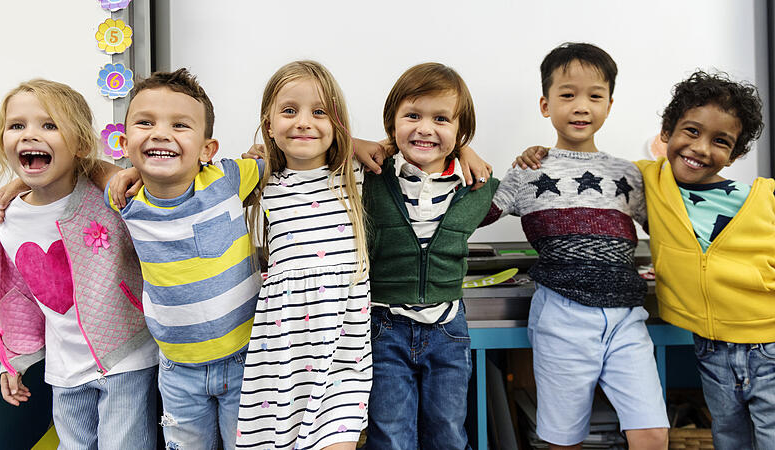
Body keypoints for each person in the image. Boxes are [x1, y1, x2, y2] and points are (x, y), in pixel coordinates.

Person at [518, 70, 773, 449]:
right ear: (666, 133)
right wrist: (539, 155)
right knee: (729, 439)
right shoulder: (644, 179)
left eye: (720, 141)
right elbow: (585, 169)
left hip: (768, 344)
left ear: (734, 154)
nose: (701, 148)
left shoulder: (760, 199)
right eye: (691, 131)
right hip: (712, 347)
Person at [490, 43, 669, 449]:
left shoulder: (627, 173)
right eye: (567, 94)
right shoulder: (529, 170)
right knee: (563, 438)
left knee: (652, 432)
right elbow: (478, 215)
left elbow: (666, 228)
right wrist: (466, 155)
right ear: (545, 104)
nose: (581, 106)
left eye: (595, 96)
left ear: (609, 105)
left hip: (626, 317)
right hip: (562, 315)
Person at [0, 79, 158, 449]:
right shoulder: (8, 220)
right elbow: (19, 298)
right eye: (17, 126)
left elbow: (154, 194)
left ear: (80, 145)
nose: (30, 134)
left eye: (49, 125)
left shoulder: (109, 198)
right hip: (64, 369)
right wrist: (11, 360)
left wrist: (103, 171)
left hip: (127, 357)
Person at [105, 68, 265, 450]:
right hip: (178, 370)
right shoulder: (126, 198)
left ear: (207, 150)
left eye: (179, 125)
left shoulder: (227, 179)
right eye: (146, 123)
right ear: (125, 144)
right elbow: (76, 169)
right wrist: (20, 182)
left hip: (246, 360)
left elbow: (281, 157)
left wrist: (262, 153)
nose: (161, 133)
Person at [235, 60, 371, 450]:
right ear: (269, 123)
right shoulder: (260, 182)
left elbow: (419, 145)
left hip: (343, 354)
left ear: (337, 123)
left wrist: (465, 150)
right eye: (290, 111)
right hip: (283, 351)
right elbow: (188, 179)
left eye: (319, 112)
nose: (303, 122)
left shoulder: (354, 175)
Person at [363, 62, 499, 450]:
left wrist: (464, 148)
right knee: (390, 435)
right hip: (385, 327)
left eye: (441, 118)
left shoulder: (475, 185)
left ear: (460, 131)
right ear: (392, 123)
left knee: (448, 432)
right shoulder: (371, 176)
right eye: (412, 116)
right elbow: (330, 149)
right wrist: (382, 145)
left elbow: (523, 189)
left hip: (448, 330)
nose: (425, 128)